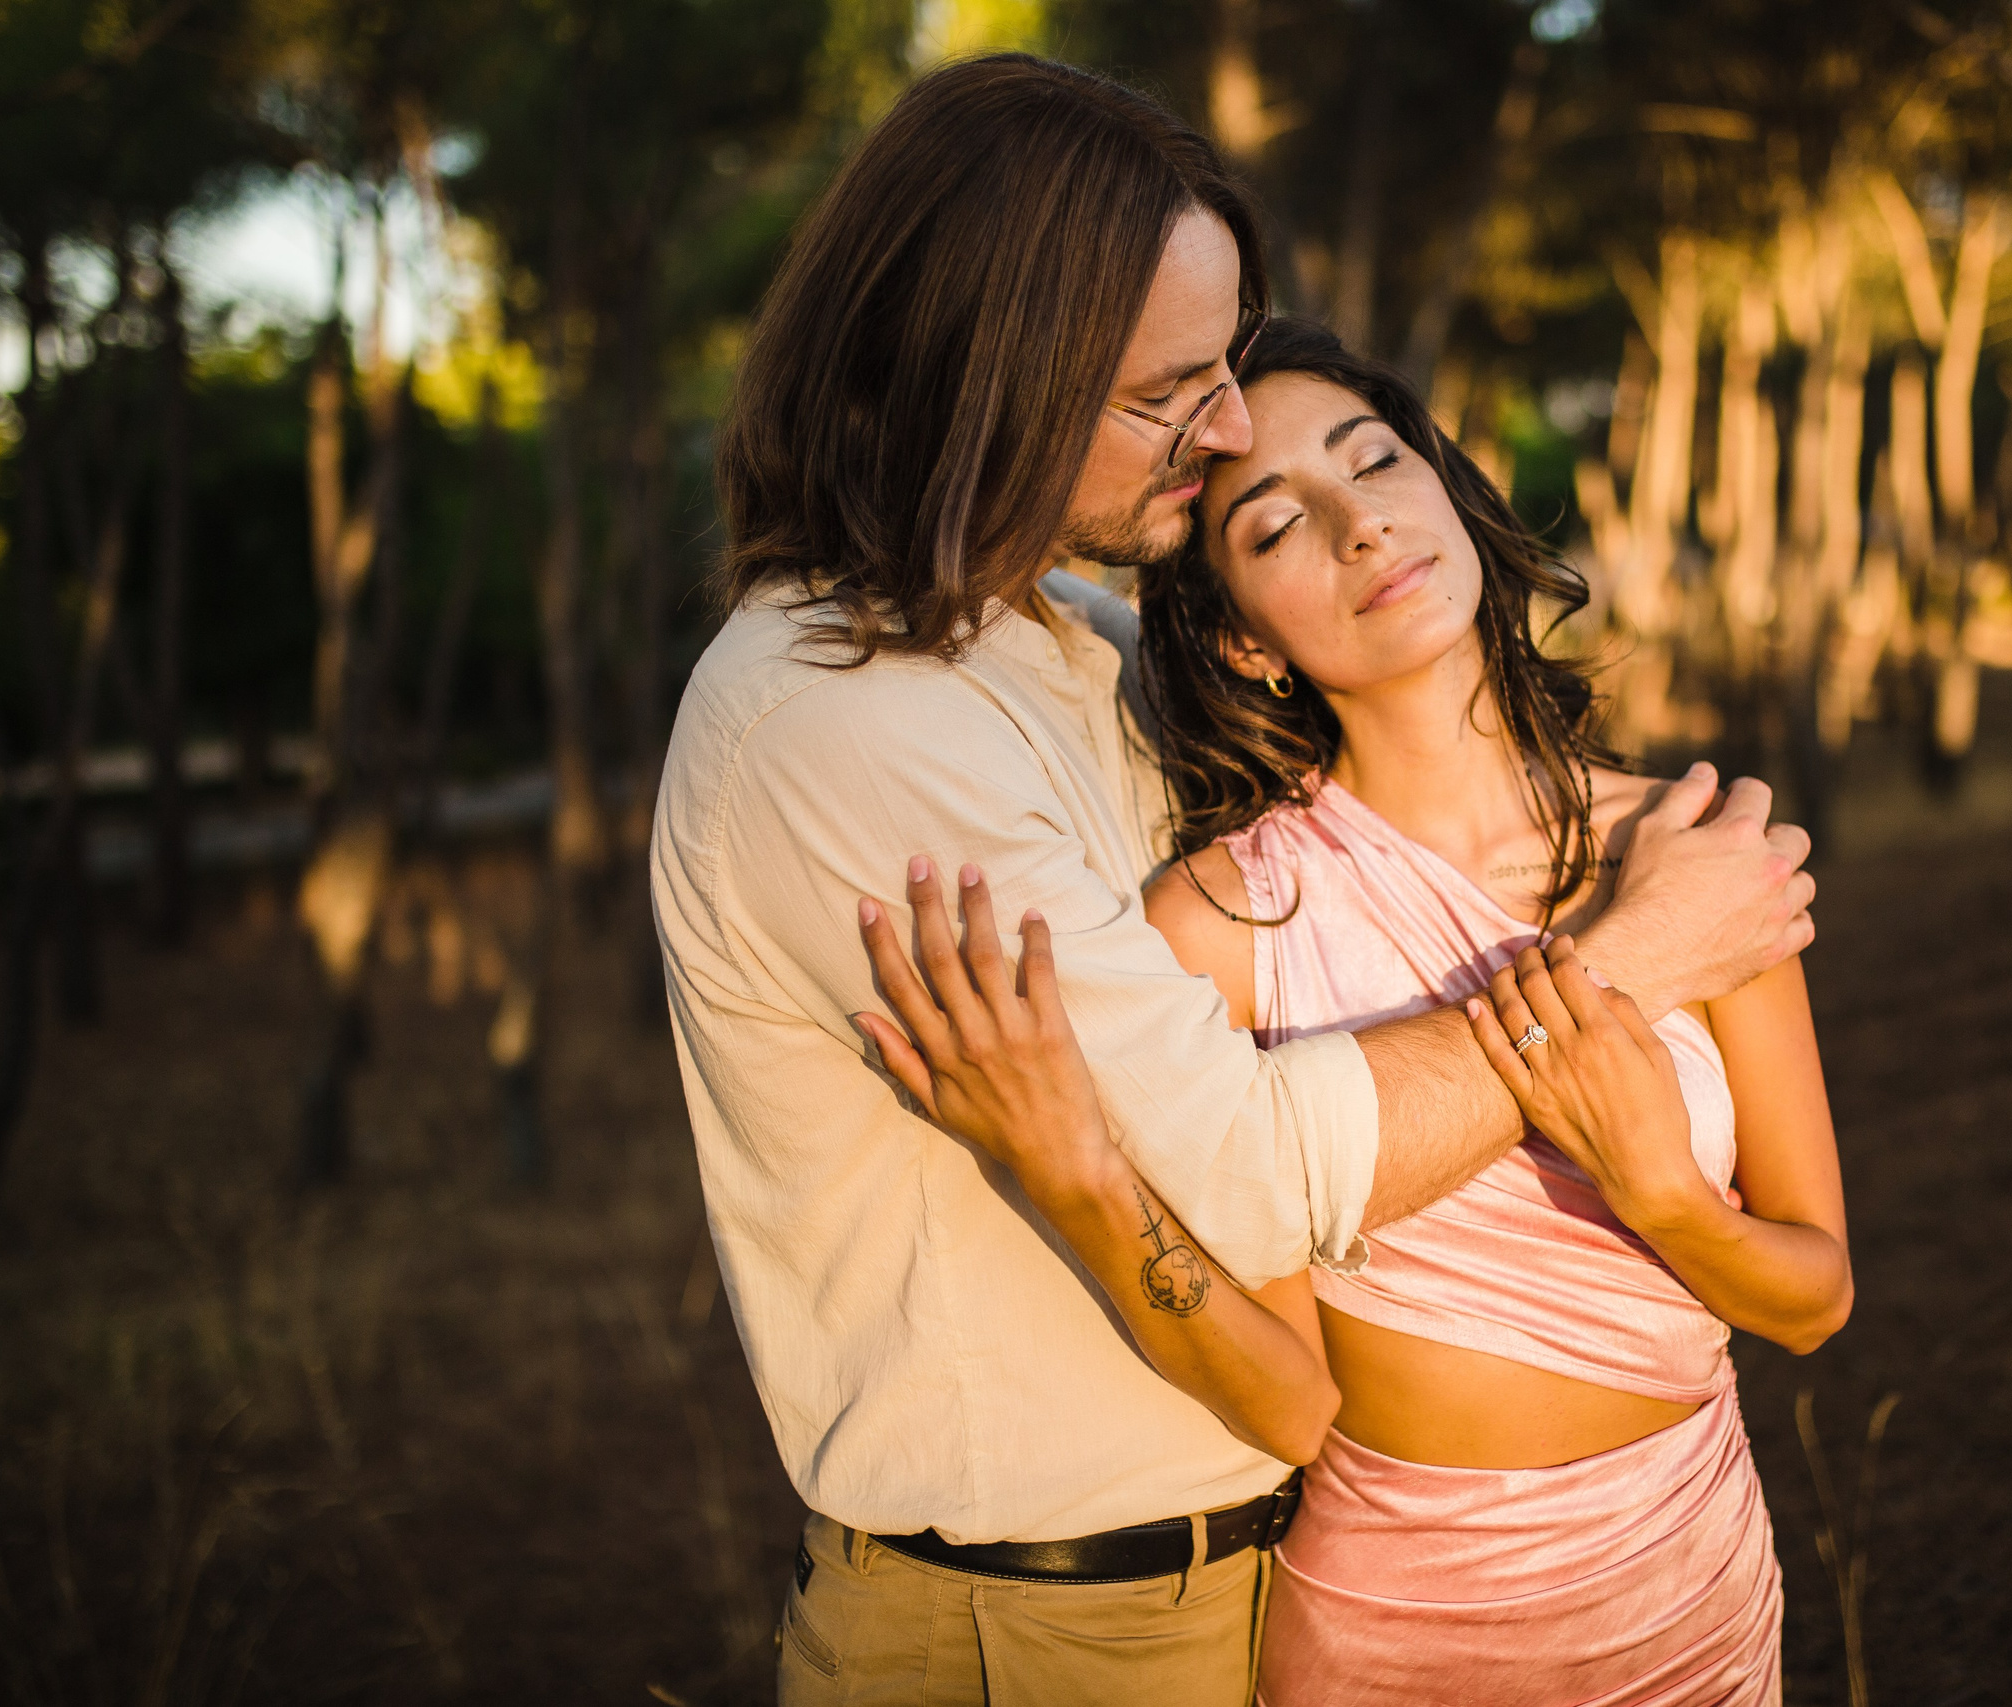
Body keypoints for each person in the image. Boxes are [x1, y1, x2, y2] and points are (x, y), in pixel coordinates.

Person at [652, 55, 1815, 1707]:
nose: (1219, 424)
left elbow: (1340, 710)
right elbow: (1266, 1182)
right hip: (1026, 1635)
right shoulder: (845, 725)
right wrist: (1630, 957)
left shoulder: (1058, 650)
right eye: (1167, 392)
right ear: (983, 379)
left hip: (1281, 1584)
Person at [857, 318, 1849, 1704]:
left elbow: (1815, 1296)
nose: (1361, 526)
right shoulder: (1222, 929)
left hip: (1692, 1588)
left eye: (1376, 461)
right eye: (1277, 529)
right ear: (1246, 644)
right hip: (1405, 1625)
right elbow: (1288, 1398)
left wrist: (1670, 1200)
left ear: (1446, 488)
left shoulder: (1687, 861)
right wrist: (1080, 1178)